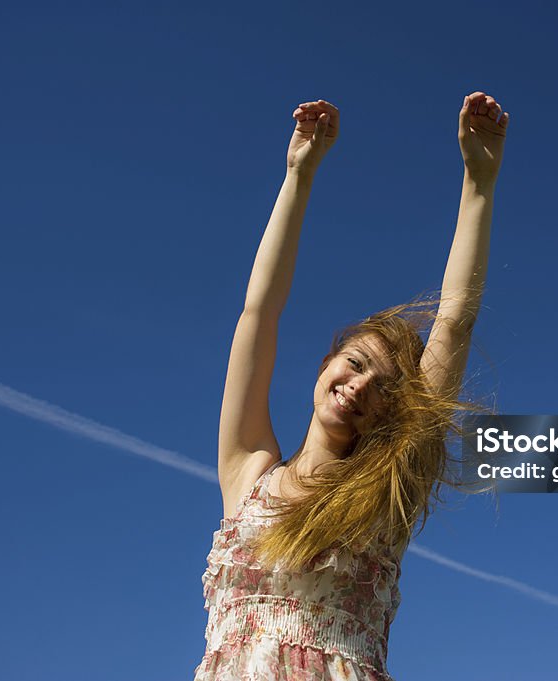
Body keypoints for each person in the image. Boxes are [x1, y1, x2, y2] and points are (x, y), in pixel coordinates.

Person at [194, 91, 509, 680]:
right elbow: (258, 315)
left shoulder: (384, 497)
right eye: (355, 363)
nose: (361, 386)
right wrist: (299, 173)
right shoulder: (249, 475)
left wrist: (479, 182)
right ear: (325, 365)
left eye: (386, 387)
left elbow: (455, 321)